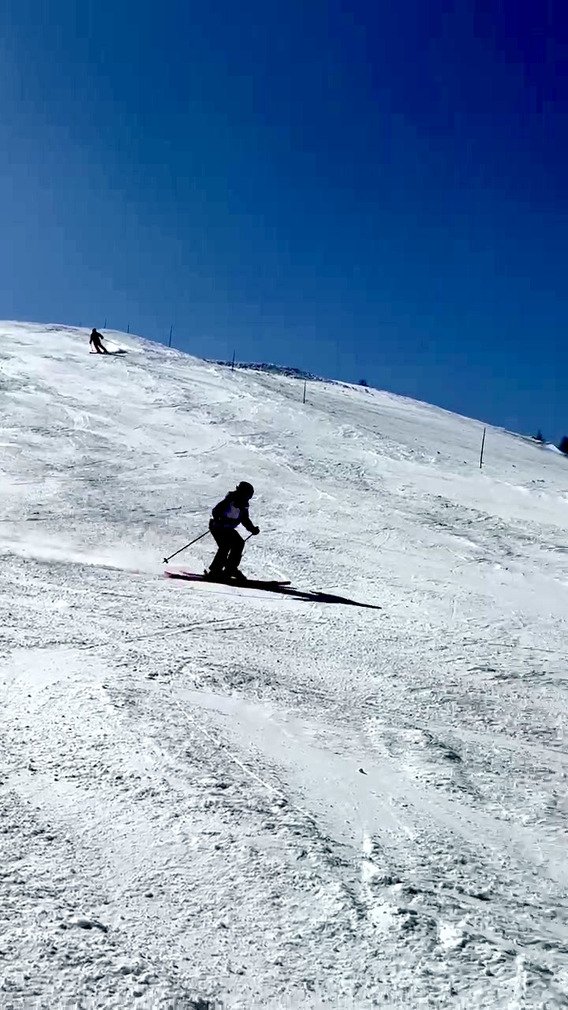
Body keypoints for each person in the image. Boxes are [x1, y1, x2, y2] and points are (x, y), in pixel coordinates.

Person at [205, 481, 260, 583]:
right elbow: (215, 511)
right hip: (217, 527)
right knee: (225, 546)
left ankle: (230, 569)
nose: (248, 498)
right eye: (248, 495)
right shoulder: (229, 500)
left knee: (239, 543)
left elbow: (245, 519)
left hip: (228, 529)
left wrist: (252, 529)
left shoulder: (243, 505)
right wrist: (219, 518)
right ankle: (215, 570)